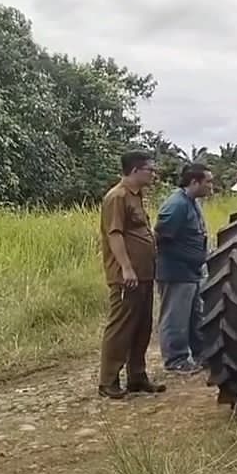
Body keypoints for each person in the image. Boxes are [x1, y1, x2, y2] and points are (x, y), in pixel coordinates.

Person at [97, 150, 166, 399]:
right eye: (150, 169)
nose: (153, 174)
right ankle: (108, 381)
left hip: (144, 273)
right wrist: (126, 267)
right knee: (121, 327)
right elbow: (114, 234)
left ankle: (137, 375)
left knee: (142, 326)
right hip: (127, 275)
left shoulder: (136, 196)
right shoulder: (116, 197)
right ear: (135, 170)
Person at [154, 163, 214, 374]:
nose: (211, 185)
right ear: (194, 182)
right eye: (208, 181)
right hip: (176, 271)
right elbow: (161, 235)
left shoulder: (192, 202)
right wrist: (181, 256)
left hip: (191, 271)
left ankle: (200, 355)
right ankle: (176, 360)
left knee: (195, 316)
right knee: (176, 317)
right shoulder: (177, 204)